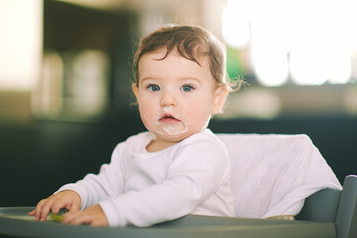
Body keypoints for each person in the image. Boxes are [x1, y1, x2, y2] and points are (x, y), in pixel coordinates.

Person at [29, 24, 239, 227]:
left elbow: (176, 195)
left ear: (217, 99)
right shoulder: (131, 147)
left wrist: (111, 211)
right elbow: (105, 185)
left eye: (186, 87)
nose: (167, 100)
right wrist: (76, 194)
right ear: (137, 95)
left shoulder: (205, 150)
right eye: (154, 87)